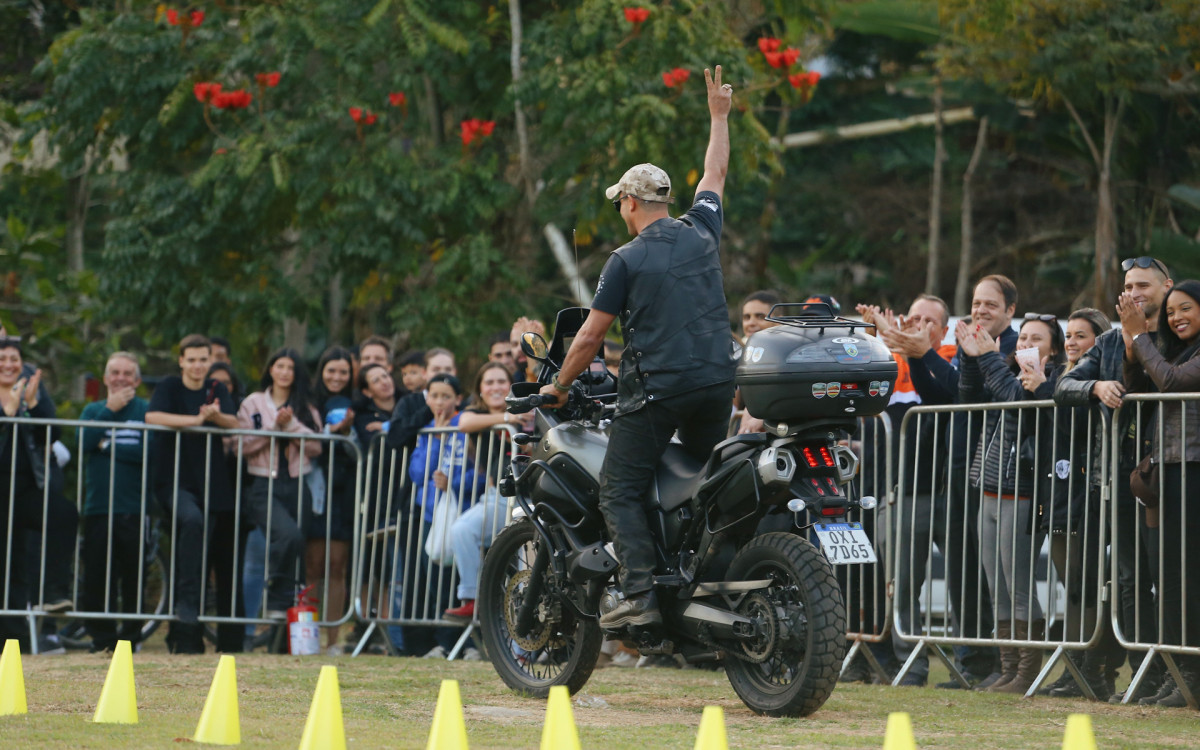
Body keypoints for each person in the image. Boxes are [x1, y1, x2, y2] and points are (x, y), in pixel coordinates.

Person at [539, 65, 736, 629]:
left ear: (629, 202)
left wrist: (557, 387)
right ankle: (698, 579)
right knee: (699, 481)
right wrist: (718, 116)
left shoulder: (623, 260)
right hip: (718, 384)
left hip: (661, 391)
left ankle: (641, 596)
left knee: (620, 488)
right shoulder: (702, 228)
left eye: (618, 202)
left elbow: (591, 337)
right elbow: (715, 170)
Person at [1054, 256, 1172, 703]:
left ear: (1167, 287)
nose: (1135, 291)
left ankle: (1171, 671)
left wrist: (1140, 339)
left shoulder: (1176, 335)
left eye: (1144, 283)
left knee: (1167, 576)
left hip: (1166, 476)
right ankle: (1144, 670)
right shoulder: (1105, 342)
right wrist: (1095, 388)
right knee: (1128, 579)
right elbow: (1065, 388)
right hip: (1116, 480)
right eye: (1128, 285)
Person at [958, 312, 1065, 694]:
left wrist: (987, 357)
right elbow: (968, 396)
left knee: (1018, 585)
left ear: (1052, 352)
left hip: (1021, 494)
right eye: (1022, 339)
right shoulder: (1002, 369)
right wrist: (972, 358)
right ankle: (1007, 667)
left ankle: (1026, 671)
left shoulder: (1049, 382)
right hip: (987, 489)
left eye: (1036, 340)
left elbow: (1016, 399)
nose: (1024, 345)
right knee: (996, 586)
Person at [856, 296, 960, 687]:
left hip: (948, 492)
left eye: (929, 320)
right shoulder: (891, 362)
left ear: (944, 329)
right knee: (899, 587)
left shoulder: (952, 357)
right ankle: (910, 667)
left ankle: (973, 663)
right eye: (913, 317)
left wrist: (915, 351)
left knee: (964, 584)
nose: (919, 324)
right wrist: (879, 334)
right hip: (900, 491)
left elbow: (942, 393)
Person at [1119, 278, 1200, 707]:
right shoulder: (1169, 349)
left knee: (1187, 576)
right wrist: (1135, 351)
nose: (1176, 317)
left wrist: (1139, 334)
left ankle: (1191, 673)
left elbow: (1173, 383)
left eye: (1185, 308)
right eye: (1171, 312)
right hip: (1163, 472)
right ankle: (1177, 672)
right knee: (1167, 577)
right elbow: (1141, 390)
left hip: (1191, 471)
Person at [1037, 307, 1116, 699]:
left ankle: (1091, 670)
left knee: (1086, 588)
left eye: (1081, 336)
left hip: (1089, 494)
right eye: (1068, 335)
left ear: (1098, 343)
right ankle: (1076, 669)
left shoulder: (1098, 384)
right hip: (1061, 496)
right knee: (1072, 588)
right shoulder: (1058, 378)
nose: (1071, 342)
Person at [145, 334, 242, 654]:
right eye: (193, 359)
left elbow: (233, 422)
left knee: (200, 554)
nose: (199, 365)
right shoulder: (169, 386)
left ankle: (186, 638)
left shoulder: (218, 389)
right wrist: (197, 420)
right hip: (174, 481)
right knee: (191, 520)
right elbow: (153, 416)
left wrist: (216, 418)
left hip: (211, 484)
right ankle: (184, 606)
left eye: (204, 359)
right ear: (182, 361)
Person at [0, 336, 79, 652]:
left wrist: (32, 403)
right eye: (3, 358)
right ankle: (12, 641)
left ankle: (54, 593)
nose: (9, 364)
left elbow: (53, 432)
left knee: (63, 514)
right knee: (10, 564)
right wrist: (6, 413)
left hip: (27, 487)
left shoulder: (29, 389)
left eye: (14, 359)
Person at [444, 363, 532, 625]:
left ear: (510, 386)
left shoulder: (526, 410)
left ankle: (522, 649)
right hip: (497, 498)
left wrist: (520, 427)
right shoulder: (479, 415)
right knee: (462, 529)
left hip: (530, 497)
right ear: (480, 390)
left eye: (500, 381)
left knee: (526, 570)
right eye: (489, 382)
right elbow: (464, 422)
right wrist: (506, 419)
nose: (495, 387)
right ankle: (472, 599)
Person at [238, 348, 323, 619]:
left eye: (290, 367)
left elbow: (316, 447)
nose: (285, 372)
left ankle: (285, 627)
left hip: (298, 483)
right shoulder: (252, 403)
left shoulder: (306, 407)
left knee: (298, 548)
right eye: (280, 366)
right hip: (263, 483)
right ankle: (274, 596)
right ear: (270, 370)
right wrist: (274, 427)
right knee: (288, 535)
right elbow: (242, 445)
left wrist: (291, 426)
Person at [79, 352, 151, 653]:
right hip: (98, 506)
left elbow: (148, 454)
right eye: (115, 372)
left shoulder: (146, 411)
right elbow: (82, 443)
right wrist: (109, 410)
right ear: (107, 377)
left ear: (136, 379)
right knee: (96, 576)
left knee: (134, 577)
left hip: (134, 507)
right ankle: (103, 640)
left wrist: (106, 445)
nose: (121, 377)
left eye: (127, 373)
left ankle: (130, 640)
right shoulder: (94, 409)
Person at [405, 373, 481, 657]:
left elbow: (481, 470)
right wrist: (436, 436)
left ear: (457, 399)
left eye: (446, 396)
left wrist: (456, 484)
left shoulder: (467, 425)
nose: (439, 402)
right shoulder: (427, 431)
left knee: (460, 582)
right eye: (434, 395)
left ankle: (469, 643)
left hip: (463, 513)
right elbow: (417, 472)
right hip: (431, 514)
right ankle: (449, 643)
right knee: (435, 578)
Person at [307, 346, 357, 655]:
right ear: (321, 371)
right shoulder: (308, 401)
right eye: (331, 370)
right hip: (314, 486)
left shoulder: (357, 403)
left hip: (346, 488)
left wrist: (348, 431)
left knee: (337, 565)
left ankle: (334, 641)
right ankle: (308, 636)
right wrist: (330, 432)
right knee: (313, 564)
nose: (337, 377)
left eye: (343, 372)